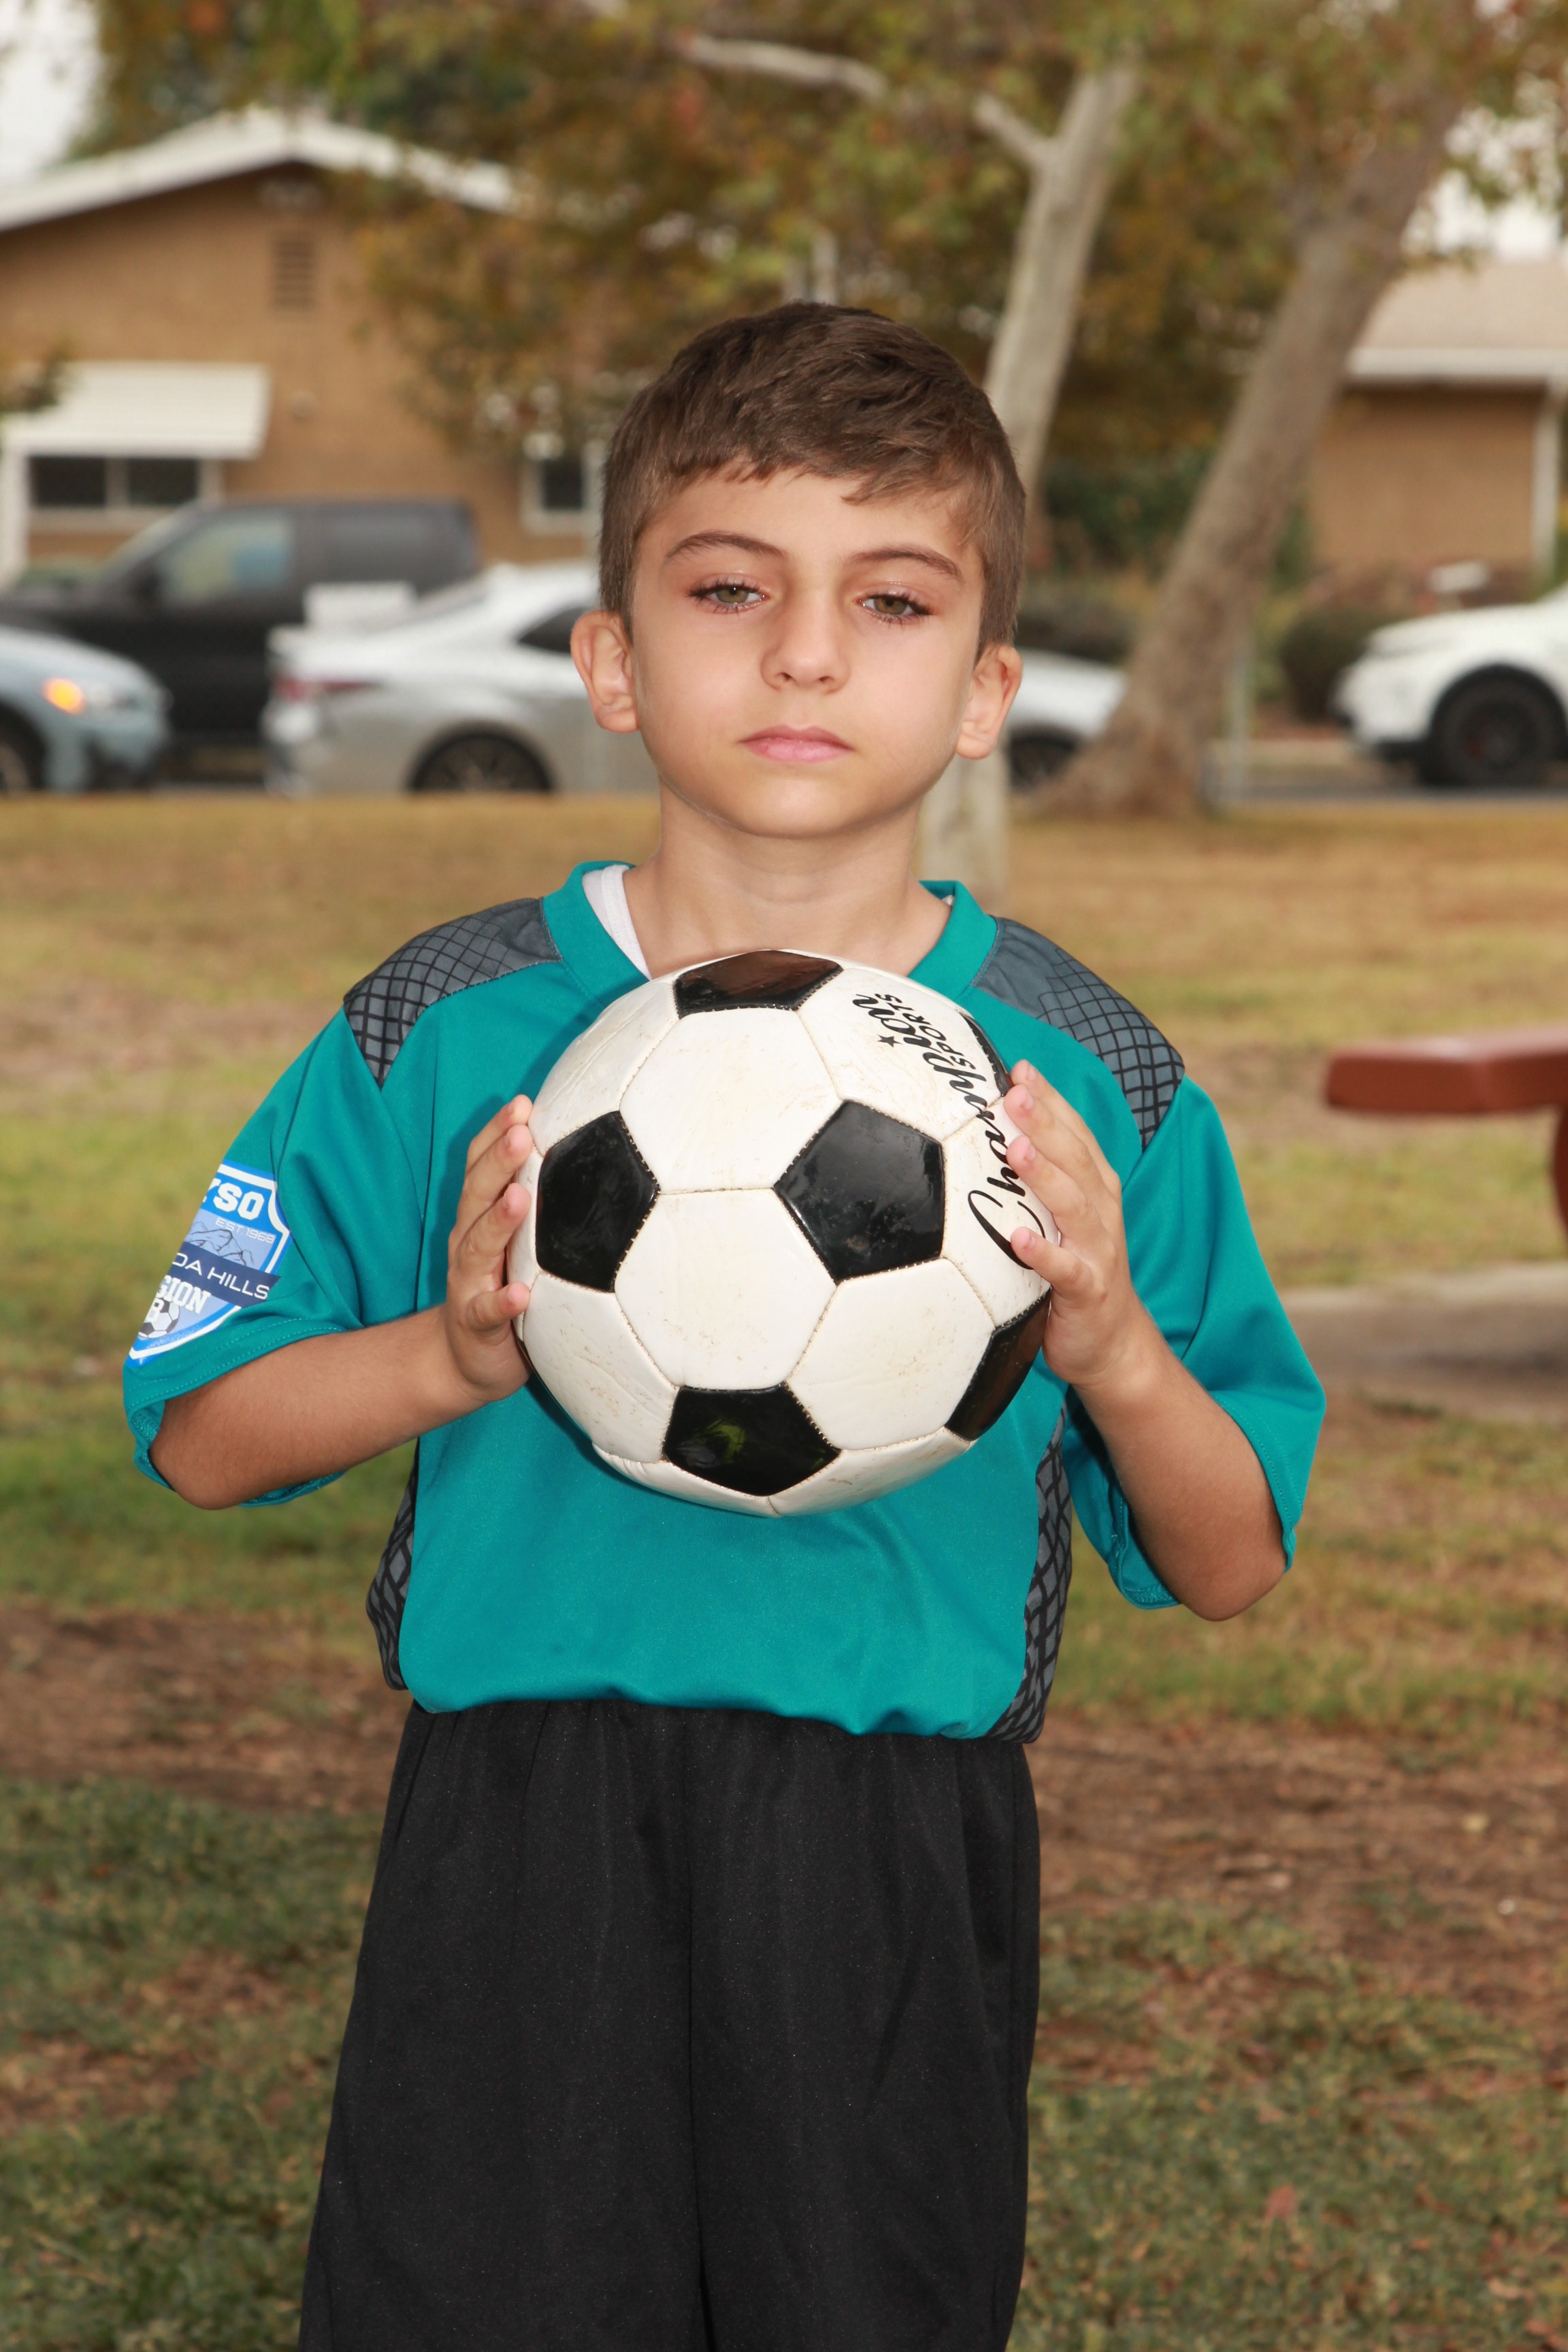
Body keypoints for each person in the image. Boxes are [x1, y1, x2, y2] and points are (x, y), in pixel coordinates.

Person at [123, 304, 1324, 2352]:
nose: (805, 656)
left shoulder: (1090, 1082)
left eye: (892, 600)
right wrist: (453, 1354)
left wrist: (1118, 1349)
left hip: (890, 1861)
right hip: (516, 1832)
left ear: (987, 688)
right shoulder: (440, 1027)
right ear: (612, 660)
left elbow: (1229, 1558)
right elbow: (202, 1430)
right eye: (729, 589)